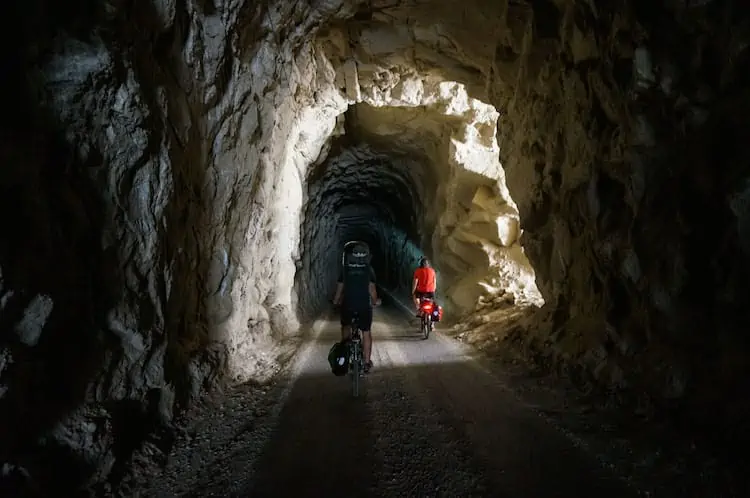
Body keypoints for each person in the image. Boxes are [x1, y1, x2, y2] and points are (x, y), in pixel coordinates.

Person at [332, 241, 379, 373]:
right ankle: (366, 363)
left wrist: (336, 302)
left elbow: (339, 289)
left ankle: (345, 350)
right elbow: (372, 290)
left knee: (346, 326)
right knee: (366, 332)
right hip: (364, 305)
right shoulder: (369, 270)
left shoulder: (345, 269)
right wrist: (375, 301)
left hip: (348, 304)